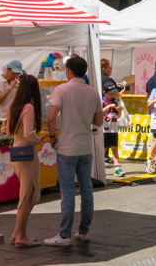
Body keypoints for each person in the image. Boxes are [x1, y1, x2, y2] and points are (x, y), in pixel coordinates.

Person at [45, 55, 104, 246]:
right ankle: (83, 230)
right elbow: (98, 121)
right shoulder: (93, 92)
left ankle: (64, 235)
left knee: (68, 191)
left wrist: (52, 135)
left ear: (68, 71)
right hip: (85, 146)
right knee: (86, 189)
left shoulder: (62, 89)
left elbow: (52, 117)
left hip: (67, 147)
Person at [7, 75, 44, 248]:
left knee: (26, 195)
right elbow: (29, 134)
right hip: (28, 153)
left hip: (16, 153)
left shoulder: (12, 106)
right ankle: (21, 235)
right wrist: (40, 139)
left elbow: (8, 132)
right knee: (26, 197)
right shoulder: (28, 107)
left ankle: (17, 232)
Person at [102, 81, 125, 177]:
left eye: (114, 93)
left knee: (114, 148)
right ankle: (100, 167)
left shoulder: (115, 102)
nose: (112, 95)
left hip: (113, 129)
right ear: (104, 93)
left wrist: (119, 110)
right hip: (104, 129)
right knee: (103, 148)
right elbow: (100, 113)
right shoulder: (102, 102)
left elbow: (118, 115)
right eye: (110, 93)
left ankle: (117, 167)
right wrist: (109, 106)